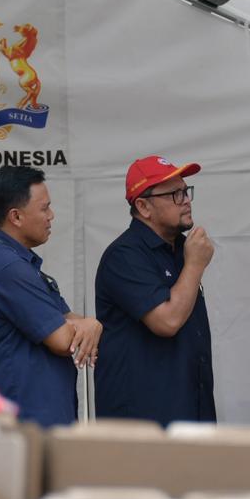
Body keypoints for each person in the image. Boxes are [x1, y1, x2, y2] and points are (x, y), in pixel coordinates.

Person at [0, 165, 102, 426]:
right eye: (44, 208)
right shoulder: (6, 267)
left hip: (37, 415)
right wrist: (89, 324)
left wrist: (89, 324)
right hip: (24, 419)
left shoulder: (18, 263)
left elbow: (66, 318)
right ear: (16, 216)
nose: (51, 216)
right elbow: (62, 339)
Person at [94, 155, 215, 426]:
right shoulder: (124, 255)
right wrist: (195, 265)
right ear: (143, 206)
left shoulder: (181, 249)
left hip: (189, 409)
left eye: (186, 191)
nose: (186, 200)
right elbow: (167, 322)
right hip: (144, 421)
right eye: (175, 194)